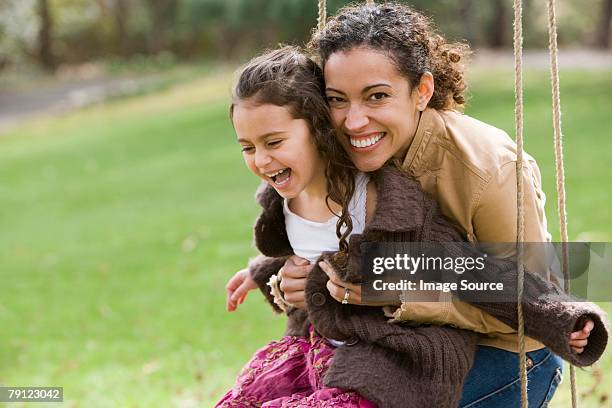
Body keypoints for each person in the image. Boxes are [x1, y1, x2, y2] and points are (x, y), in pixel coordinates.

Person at [218, 46, 608, 408]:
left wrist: (560, 315)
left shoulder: (394, 204)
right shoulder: (284, 195)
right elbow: (311, 252)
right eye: (248, 148)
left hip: (399, 354)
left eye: (377, 96)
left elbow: (480, 273)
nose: (261, 160)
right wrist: (265, 272)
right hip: (329, 350)